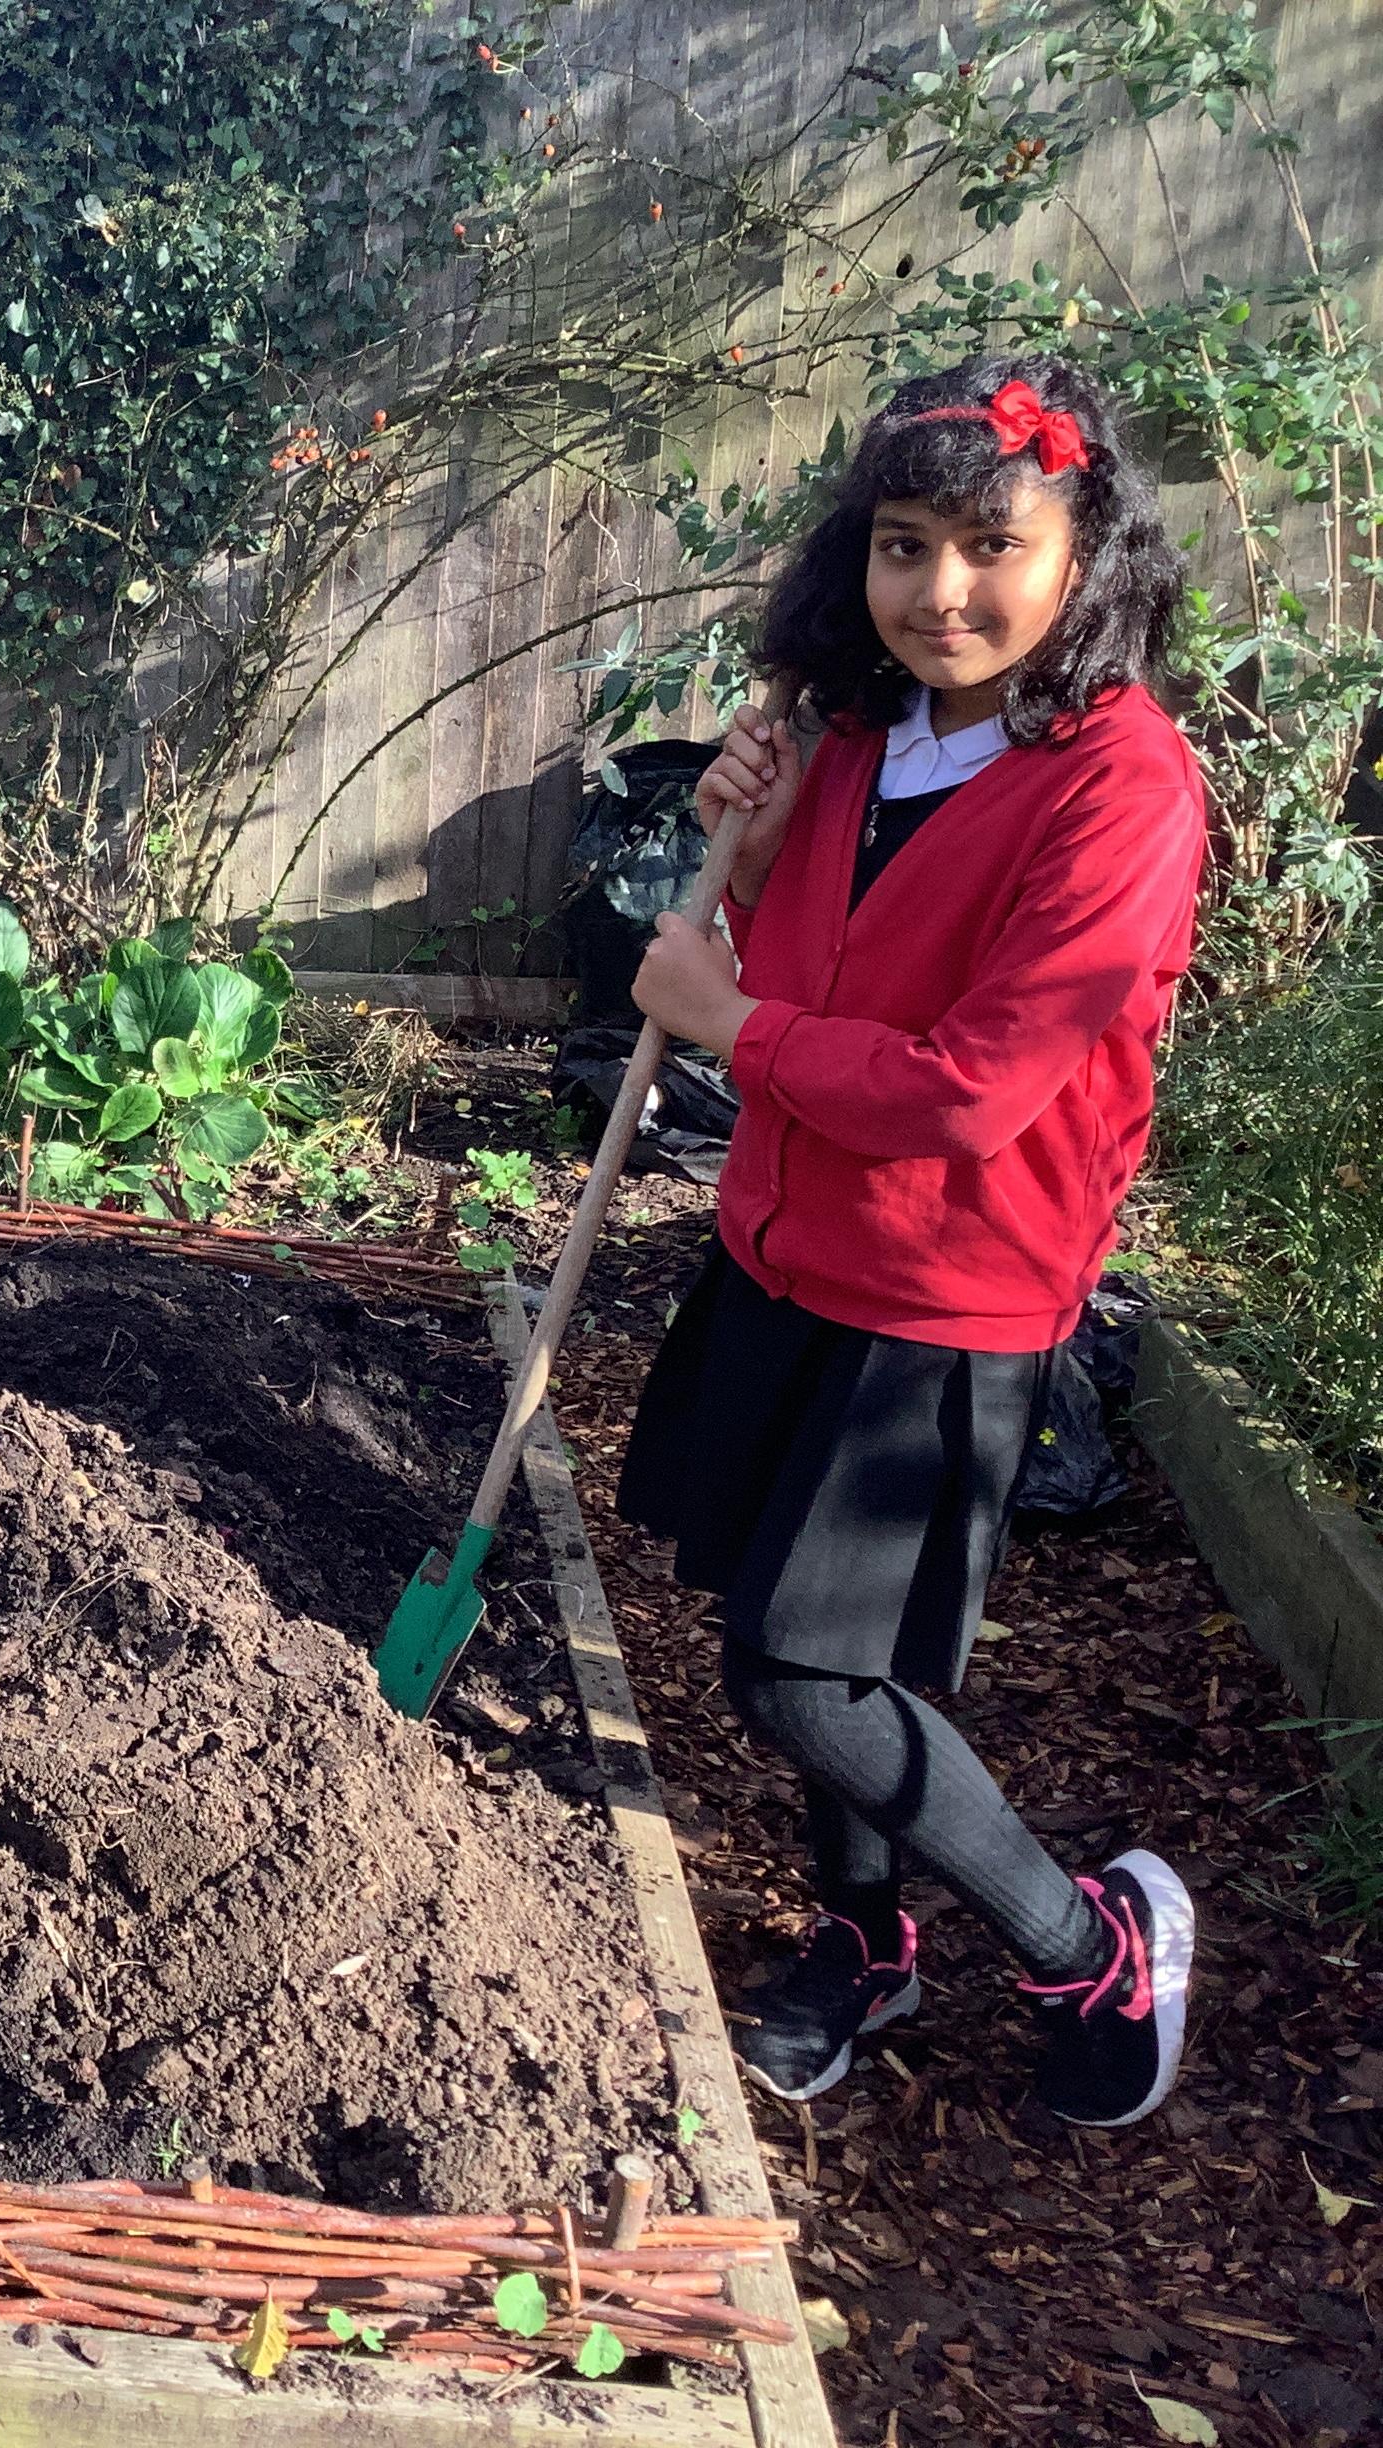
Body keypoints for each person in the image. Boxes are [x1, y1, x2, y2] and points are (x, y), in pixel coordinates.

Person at [618, 355, 1205, 2127]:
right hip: (790, 1246)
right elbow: (817, 971)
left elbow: (970, 1089)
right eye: (900, 545)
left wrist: (726, 1025)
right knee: (792, 1618)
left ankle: (1085, 1941)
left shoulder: (1123, 786)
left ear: (1084, 552)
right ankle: (867, 1942)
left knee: (799, 1675)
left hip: (942, 1293)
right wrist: (754, 840)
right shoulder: (867, 736)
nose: (940, 591)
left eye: (989, 545)